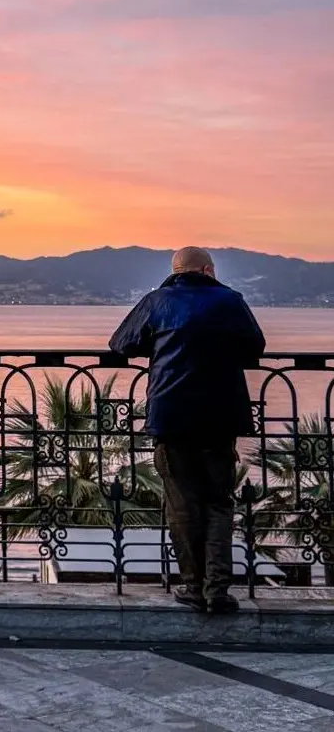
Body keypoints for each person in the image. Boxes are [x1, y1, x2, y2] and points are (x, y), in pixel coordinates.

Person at [108, 247, 265, 614]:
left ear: (175, 272)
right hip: (220, 417)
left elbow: (120, 344)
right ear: (209, 270)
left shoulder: (157, 300)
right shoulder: (230, 300)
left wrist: (160, 344)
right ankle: (218, 591)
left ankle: (192, 587)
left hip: (171, 416)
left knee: (182, 506)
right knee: (218, 504)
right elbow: (254, 346)